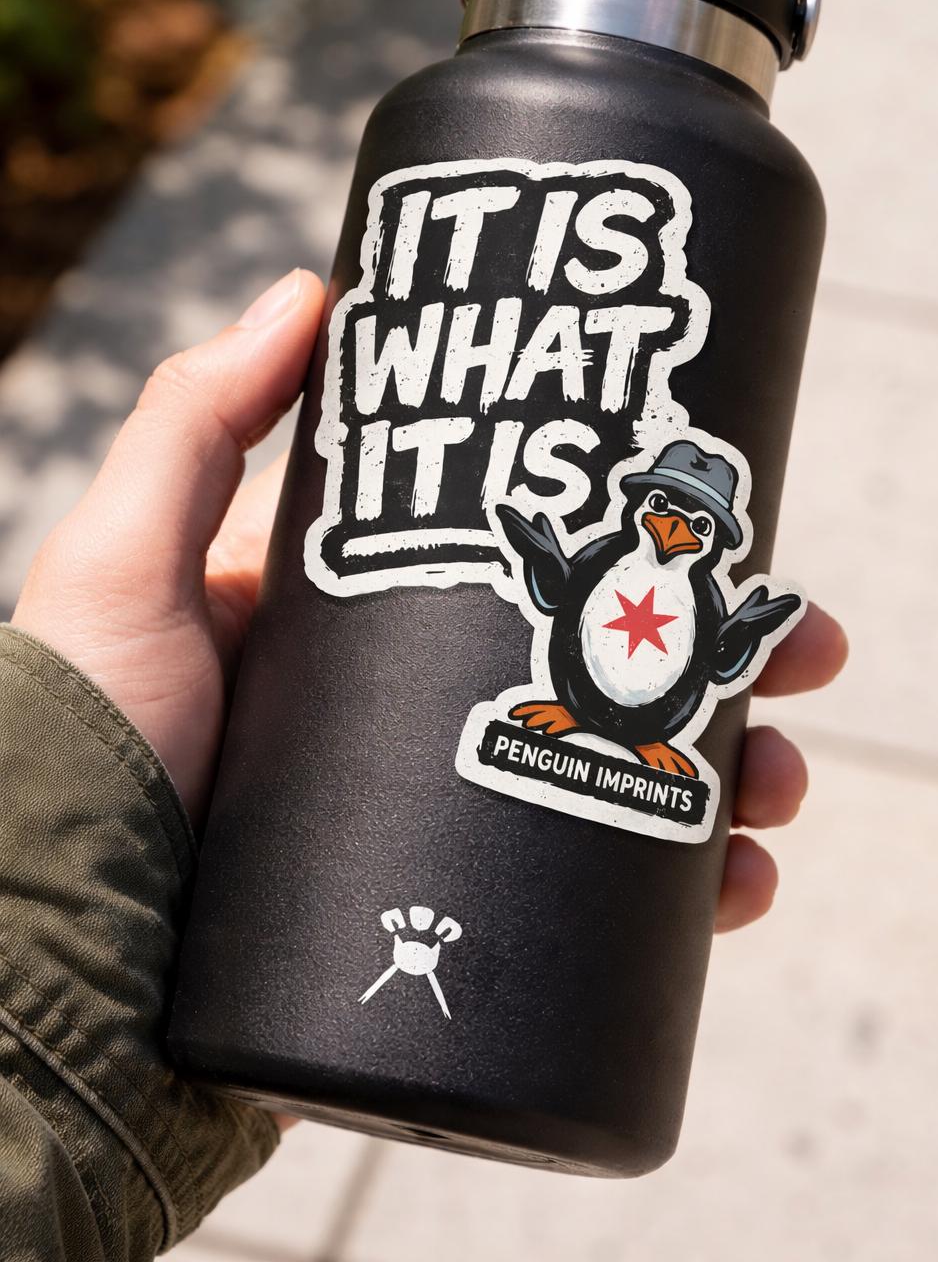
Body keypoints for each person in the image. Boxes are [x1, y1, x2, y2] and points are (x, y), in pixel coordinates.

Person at [0, 270, 847, 1258]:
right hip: (187, 982)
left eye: (691, 524)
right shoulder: (609, 558)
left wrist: (69, 1017)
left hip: (627, 737)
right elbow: (560, 587)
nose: (671, 529)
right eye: (666, 509)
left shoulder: (690, 590)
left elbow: (714, 654)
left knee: (660, 812)